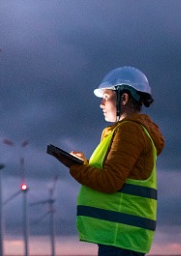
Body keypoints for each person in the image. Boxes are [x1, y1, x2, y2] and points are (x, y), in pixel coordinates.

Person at [67, 66, 165, 255]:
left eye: (106, 97)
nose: (101, 104)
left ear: (124, 98)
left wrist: (75, 167)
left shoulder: (130, 130)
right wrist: (84, 165)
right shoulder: (132, 130)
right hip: (123, 237)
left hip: (119, 238)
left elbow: (110, 181)